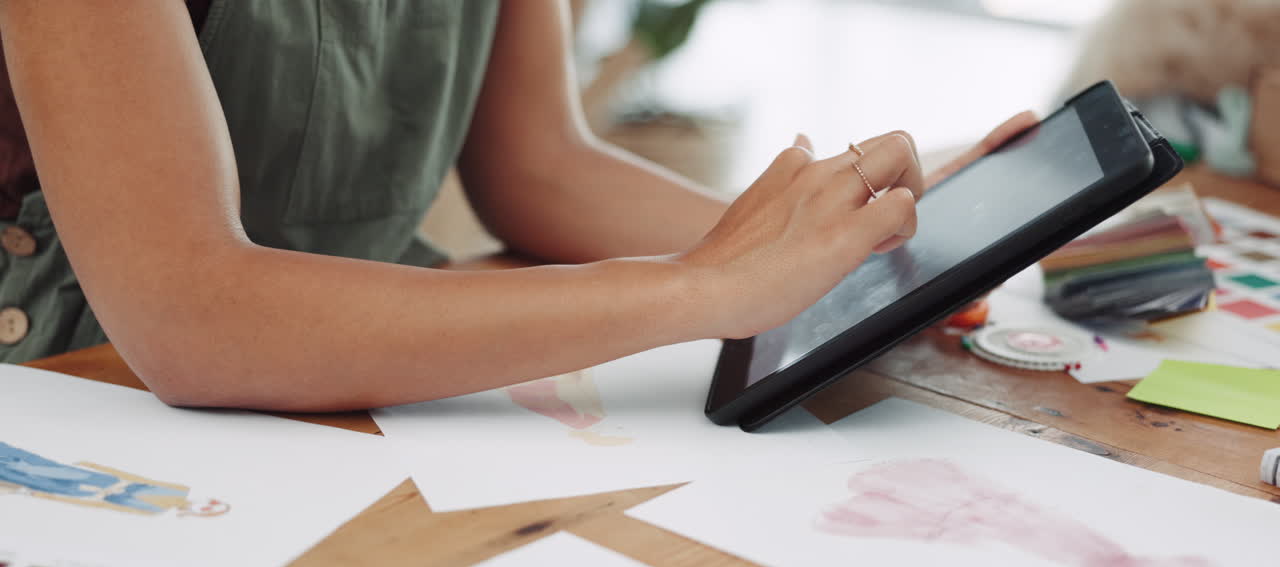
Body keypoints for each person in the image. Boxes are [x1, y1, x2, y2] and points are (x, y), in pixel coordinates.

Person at [0, 0, 1033, 411]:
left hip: (359, 393)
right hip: (75, 395)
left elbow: (539, 168)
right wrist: (697, 289)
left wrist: (825, 239)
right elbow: (193, 315)